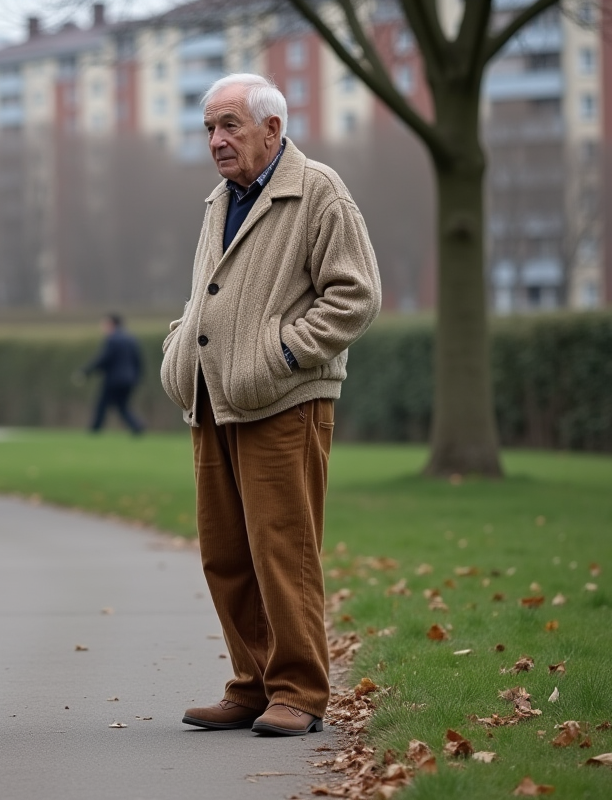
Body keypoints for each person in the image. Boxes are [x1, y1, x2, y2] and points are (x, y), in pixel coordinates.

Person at [160, 74, 381, 736]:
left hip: (283, 402)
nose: (216, 141)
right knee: (226, 554)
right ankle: (253, 684)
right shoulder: (221, 198)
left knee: (282, 548)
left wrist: (283, 355)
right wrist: (180, 344)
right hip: (213, 401)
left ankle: (300, 691)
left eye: (229, 125)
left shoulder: (319, 192)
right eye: (208, 128)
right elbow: (215, 292)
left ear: (272, 129)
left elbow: (355, 296)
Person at [81, 314, 144, 434]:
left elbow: (104, 359)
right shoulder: (131, 339)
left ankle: (95, 430)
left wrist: (86, 371)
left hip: (114, 380)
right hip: (129, 379)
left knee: (102, 405)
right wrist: (137, 377)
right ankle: (137, 426)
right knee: (122, 406)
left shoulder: (112, 340)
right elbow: (138, 360)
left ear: (111, 324)